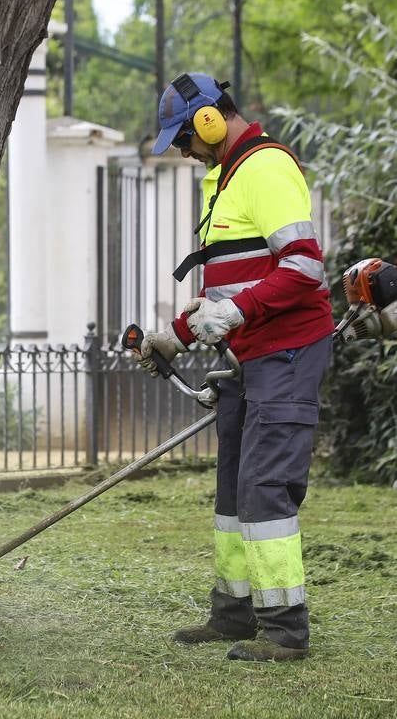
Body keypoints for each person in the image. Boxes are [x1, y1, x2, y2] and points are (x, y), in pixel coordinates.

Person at [132, 73, 333, 662]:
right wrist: (177, 333)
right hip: (250, 352)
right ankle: (233, 614)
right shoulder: (225, 177)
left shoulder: (266, 168)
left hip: (288, 351)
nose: (181, 151)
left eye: (183, 139)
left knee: (265, 485)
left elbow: (303, 269)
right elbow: (238, 279)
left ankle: (285, 630)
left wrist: (232, 312)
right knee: (233, 488)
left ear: (209, 121)